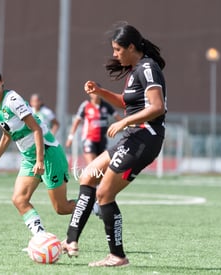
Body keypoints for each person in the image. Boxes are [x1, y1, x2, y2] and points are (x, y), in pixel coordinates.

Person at [62, 22, 167, 267]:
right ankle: (71, 240)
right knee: (87, 176)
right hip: (132, 137)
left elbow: (157, 107)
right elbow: (125, 102)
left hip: (144, 139)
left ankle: (117, 256)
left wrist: (124, 122)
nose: (114, 54)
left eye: (117, 49)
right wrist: (100, 91)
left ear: (131, 47)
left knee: (104, 194)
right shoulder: (134, 70)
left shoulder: (148, 68)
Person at [0, 65, 76, 239]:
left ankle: (97, 207)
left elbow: (36, 129)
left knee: (61, 208)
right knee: (19, 199)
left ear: (2, 82)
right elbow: (7, 135)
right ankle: (41, 239)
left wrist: (40, 160)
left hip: (48, 153)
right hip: (30, 158)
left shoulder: (12, 99)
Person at [66, 91, 121, 165]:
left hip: (102, 139)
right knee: (92, 166)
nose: (96, 95)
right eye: (94, 93)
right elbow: (76, 122)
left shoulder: (106, 106)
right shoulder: (86, 105)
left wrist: (126, 125)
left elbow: (118, 118)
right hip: (89, 139)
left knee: (101, 166)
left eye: (97, 92)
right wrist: (70, 138)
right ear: (90, 94)